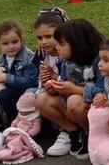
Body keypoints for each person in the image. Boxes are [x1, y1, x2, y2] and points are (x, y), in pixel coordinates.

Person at [38, 18, 104, 158]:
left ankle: (90, 135)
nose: (57, 47)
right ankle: (73, 131)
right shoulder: (66, 61)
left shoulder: (98, 61)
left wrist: (74, 90)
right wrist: (55, 86)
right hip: (70, 102)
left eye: (61, 44)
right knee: (42, 99)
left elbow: (103, 91)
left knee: (74, 101)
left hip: (93, 104)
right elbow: (63, 81)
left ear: (77, 45)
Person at [0, 21, 38, 140]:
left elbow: (31, 81)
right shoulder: (2, 58)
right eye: (5, 43)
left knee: (5, 94)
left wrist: (6, 78)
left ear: (21, 40)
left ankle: (15, 125)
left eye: (15, 42)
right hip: (6, 89)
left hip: (24, 93)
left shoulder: (28, 57)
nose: (11, 46)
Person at [17, 8, 70, 143]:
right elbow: (38, 80)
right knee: (29, 94)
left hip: (67, 92)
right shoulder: (42, 54)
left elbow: (71, 80)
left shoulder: (66, 54)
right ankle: (27, 128)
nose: (43, 42)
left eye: (48, 36)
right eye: (39, 38)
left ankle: (68, 131)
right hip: (50, 90)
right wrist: (43, 79)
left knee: (40, 97)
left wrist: (52, 76)